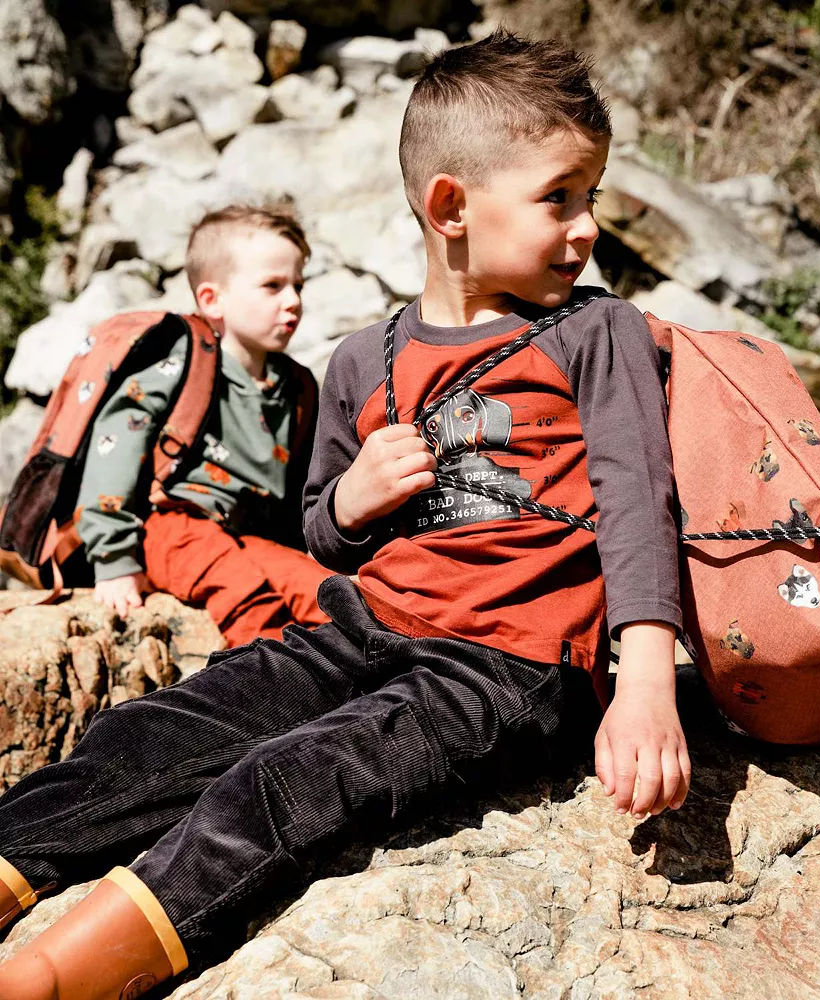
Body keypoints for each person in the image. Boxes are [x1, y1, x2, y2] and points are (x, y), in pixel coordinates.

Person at [0, 30, 689, 999]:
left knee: (287, 780)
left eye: (591, 198)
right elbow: (321, 530)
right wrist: (357, 498)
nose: (585, 229)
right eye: (559, 197)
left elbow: (635, 493)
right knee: (156, 729)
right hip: (363, 625)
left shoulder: (593, 329)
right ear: (450, 205)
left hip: (506, 663)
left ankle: (43, 982)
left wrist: (646, 682)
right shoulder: (363, 360)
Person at [76, 204, 332, 647]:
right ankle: (267, 695)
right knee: (245, 595)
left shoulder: (297, 385)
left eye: (297, 286)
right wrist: (114, 560)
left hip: (246, 536)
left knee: (326, 593)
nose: (293, 301)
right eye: (272, 286)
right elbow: (115, 445)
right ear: (212, 299)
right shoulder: (182, 365)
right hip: (171, 525)